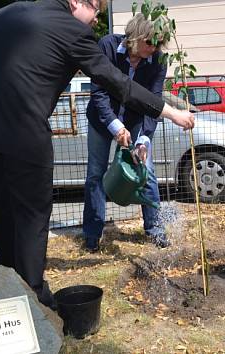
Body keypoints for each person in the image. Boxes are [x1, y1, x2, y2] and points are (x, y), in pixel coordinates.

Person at [0, 0, 194, 310]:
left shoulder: (6, 13)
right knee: (32, 215)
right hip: (24, 128)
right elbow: (115, 82)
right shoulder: (72, 32)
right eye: (96, 10)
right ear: (77, 2)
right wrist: (171, 112)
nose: (97, 20)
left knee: (0, 209)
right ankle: (35, 300)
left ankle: (10, 281)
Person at [83, 14, 170, 251]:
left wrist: (143, 139)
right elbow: (98, 94)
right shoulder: (107, 47)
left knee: (147, 172)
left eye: (158, 43)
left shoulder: (159, 60)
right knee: (95, 174)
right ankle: (92, 233)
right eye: (150, 42)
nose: (154, 48)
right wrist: (115, 126)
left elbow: (154, 102)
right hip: (102, 122)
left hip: (135, 122)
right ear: (136, 37)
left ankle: (155, 229)